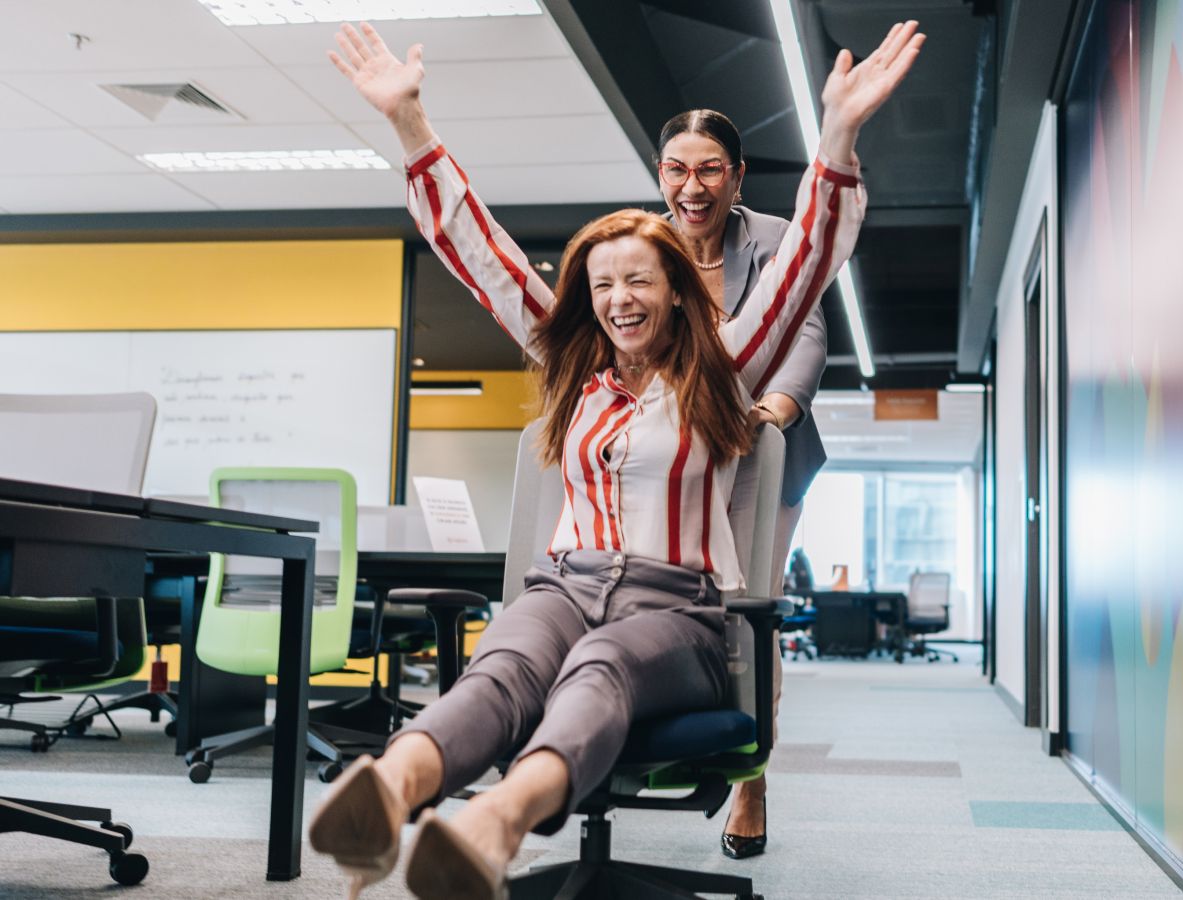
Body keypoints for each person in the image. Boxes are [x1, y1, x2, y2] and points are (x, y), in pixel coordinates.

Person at [308, 20, 924, 900]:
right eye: (601, 285)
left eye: (638, 280)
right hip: (565, 584)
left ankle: (498, 821)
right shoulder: (577, 371)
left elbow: (801, 273)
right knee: (506, 664)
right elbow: (482, 255)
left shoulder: (719, 370)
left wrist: (836, 139)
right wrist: (411, 124)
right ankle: (394, 790)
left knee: (598, 672)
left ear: (675, 291)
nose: (618, 299)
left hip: (674, 606)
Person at [652, 104, 833, 859]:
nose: (691, 188)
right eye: (676, 169)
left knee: (743, 611)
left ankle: (749, 780)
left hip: (759, 447)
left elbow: (807, 331)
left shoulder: (773, 242)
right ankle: (668, 741)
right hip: (667, 454)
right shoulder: (644, 244)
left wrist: (775, 412)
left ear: (737, 176)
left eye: (709, 169)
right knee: (663, 604)